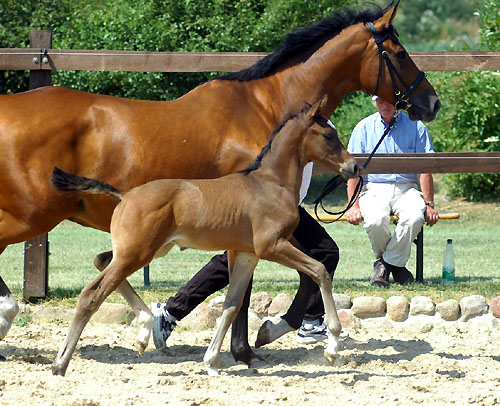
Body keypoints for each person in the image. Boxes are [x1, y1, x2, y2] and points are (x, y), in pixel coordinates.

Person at [151, 124, 347, 353]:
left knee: (324, 252)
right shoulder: (284, 119)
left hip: (287, 206)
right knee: (236, 260)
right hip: (264, 203)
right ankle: (171, 312)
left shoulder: (319, 123)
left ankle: (305, 321)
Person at [346, 95, 439, 287]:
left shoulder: (416, 126)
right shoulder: (363, 128)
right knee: (376, 220)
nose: (384, 104)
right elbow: (353, 171)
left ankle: (384, 265)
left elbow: (425, 168)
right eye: (380, 100)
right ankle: (397, 268)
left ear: (399, 103)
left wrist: (429, 205)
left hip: (406, 188)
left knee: (415, 217)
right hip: (373, 188)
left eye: (388, 100)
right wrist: (352, 206)